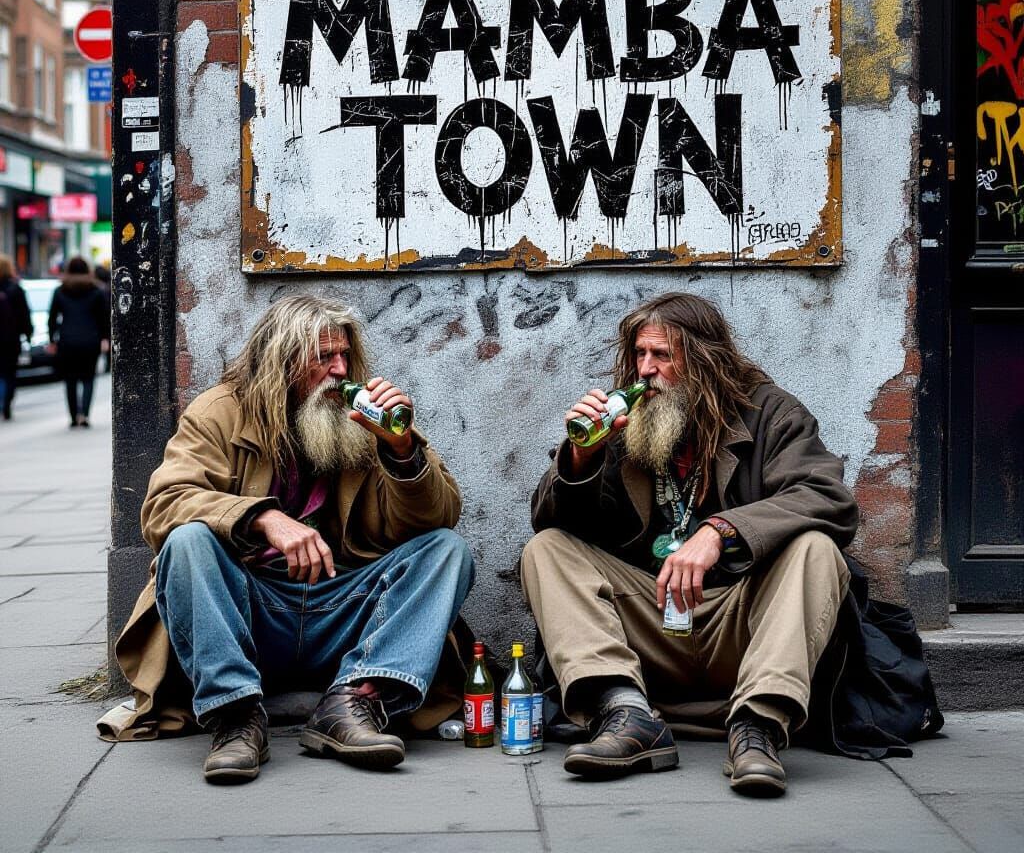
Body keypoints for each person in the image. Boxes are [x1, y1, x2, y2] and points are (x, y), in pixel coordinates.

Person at [98, 295, 474, 785]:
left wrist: (402, 450)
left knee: (447, 550)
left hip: (341, 609)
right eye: (323, 358)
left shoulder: (362, 418)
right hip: (250, 608)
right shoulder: (218, 413)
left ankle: (354, 702)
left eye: (344, 356)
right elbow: (164, 505)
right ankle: (235, 717)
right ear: (282, 360)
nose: (340, 370)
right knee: (187, 542)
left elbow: (438, 515)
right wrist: (261, 518)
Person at [521, 292, 857, 796]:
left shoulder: (771, 414)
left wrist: (721, 531)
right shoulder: (621, 423)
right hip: (651, 622)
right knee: (545, 549)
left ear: (701, 360)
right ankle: (627, 714)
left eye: (662, 356)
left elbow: (828, 498)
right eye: (639, 355)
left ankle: (758, 727)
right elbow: (554, 521)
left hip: (739, 623)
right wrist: (579, 460)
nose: (645, 372)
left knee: (817, 549)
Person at [47, 256, 109, 427]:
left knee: (70, 380)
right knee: (88, 378)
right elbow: (103, 318)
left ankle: (74, 416)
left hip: (67, 341)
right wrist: (105, 338)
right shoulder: (96, 291)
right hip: (90, 341)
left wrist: (52, 339)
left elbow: (52, 318)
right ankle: (85, 415)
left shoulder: (60, 291)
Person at [0, 254, 33, 421]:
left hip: (8, 339)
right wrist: (28, 334)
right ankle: (6, 402)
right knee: (9, 373)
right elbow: (24, 315)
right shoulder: (16, 289)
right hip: (10, 339)